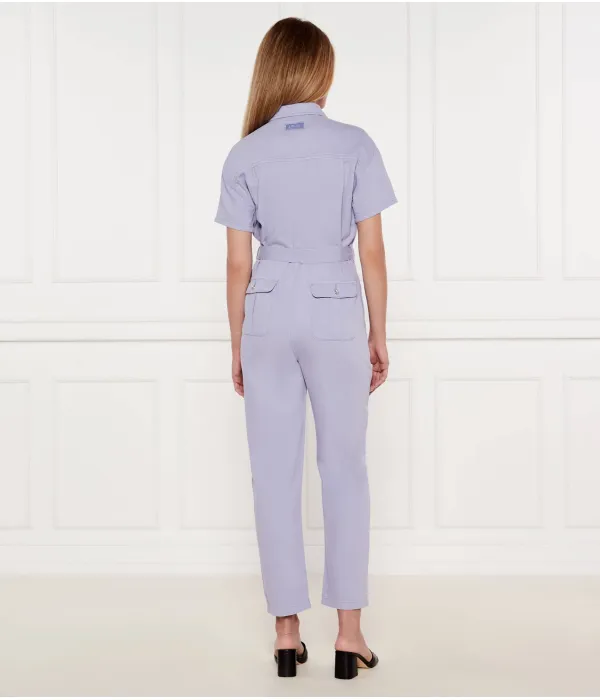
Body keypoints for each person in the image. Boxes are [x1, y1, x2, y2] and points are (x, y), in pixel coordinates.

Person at [215, 16, 396, 680]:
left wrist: (237, 342)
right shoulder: (354, 145)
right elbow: (371, 253)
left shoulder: (245, 154)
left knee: (273, 473)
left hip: (266, 308)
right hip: (334, 308)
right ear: (320, 71)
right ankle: (349, 634)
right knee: (344, 467)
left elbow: (238, 264)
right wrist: (379, 331)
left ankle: (286, 634)